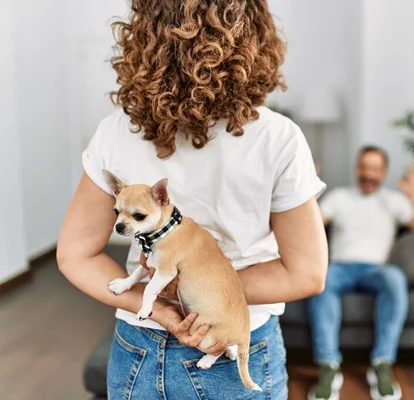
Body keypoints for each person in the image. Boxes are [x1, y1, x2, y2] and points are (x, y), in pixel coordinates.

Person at [56, 1, 328, 399]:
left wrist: (165, 304)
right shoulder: (278, 138)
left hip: (138, 349)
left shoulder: (115, 133)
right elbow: (306, 273)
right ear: (253, 37)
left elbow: (74, 256)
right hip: (235, 346)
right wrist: (203, 298)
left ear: (145, 36)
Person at [308, 146, 414, 400]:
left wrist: (413, 195)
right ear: (357, 169)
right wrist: (306, 191)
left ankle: (381, 364)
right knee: (322, 278)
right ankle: (328, 366)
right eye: (364, 167)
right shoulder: (339, 197)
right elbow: (308, 225)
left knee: (395, 278)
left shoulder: (394, 200)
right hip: (340, 268)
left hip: (378, 270)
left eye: (375, 168)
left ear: (383, 172)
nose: (368, 174)